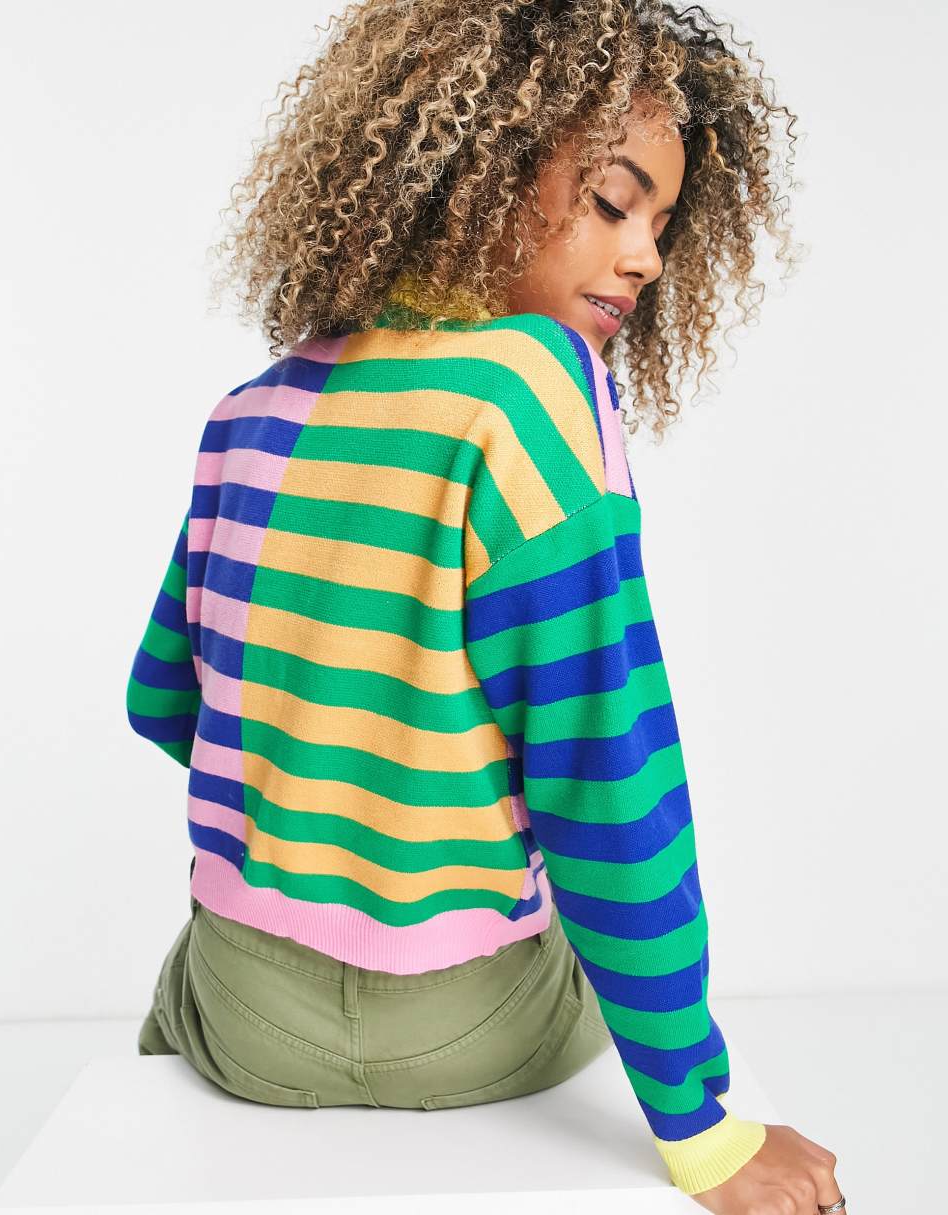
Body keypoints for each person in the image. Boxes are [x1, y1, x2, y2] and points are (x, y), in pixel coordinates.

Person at [127, 1, 846, 1211]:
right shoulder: (532, 385)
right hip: (461, 1030)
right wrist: (706, 1134)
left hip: (245, 1020)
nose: (645, 258)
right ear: (480, 167)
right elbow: (602, 783)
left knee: (178, 998)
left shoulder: (250, 410)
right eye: (612, 202)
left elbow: (162, 704)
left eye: (661, 224)